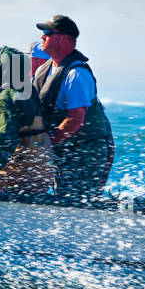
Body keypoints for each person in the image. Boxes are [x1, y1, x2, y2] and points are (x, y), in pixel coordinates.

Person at [32, 15, 114, 198]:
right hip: (62, 149)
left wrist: (45, 145)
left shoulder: (76, 75)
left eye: (47, 32)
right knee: (59, 196)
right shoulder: (42, 71)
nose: (42, 37)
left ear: (63, 38)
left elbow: (75, 121)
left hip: (87, 152)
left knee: (72, 200)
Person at [0, 45, 56, 195]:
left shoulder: (4, 100)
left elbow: (4, 140)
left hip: (23, 172)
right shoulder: (27, 90)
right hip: (43, 174)